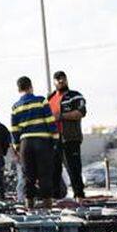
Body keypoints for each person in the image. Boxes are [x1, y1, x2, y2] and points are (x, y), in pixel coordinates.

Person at [12, 76, 59, 209]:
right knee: (45, 175)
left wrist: (17, 147)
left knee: (29, 177)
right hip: (42, 142)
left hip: (25, 143)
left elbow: (14, 130)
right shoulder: (41, 101)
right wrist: (55, 140)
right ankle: (47, 208)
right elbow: (50, 121)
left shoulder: (16, 107)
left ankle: (30, 208)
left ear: (18, 89)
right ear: (31, 87)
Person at [49, 71, 88, 199]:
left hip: (70, 138)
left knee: (74, 169)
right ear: (54, 82)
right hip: (54, 140)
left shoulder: (75, 96)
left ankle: (79, 196)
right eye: (58, 79)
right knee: (54, 170)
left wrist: (61, 116)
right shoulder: (50, 98)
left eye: (63, 79)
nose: (60, 81)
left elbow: (80, 112)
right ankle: (56, 198)